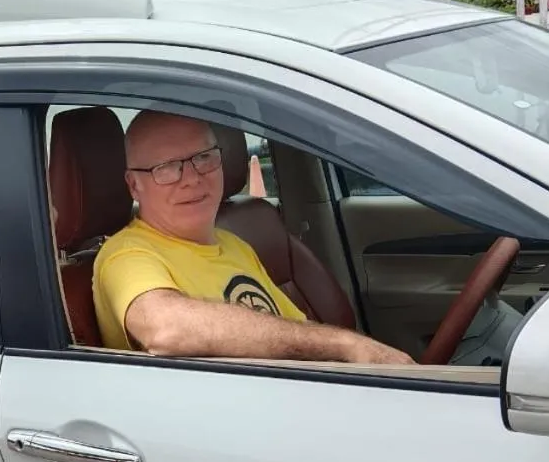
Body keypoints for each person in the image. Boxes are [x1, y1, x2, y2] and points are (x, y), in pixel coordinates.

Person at [92, 110, 414, 365]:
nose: (191, 178)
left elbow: (295, 330)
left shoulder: (234, 244)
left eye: (203, 157)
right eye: (167, 167)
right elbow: (165, 327)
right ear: (135, 185)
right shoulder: (126, 255)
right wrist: (346, 345)